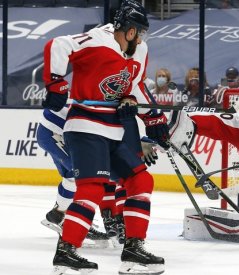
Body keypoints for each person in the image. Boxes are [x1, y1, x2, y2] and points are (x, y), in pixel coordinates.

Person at [41, 0, 167, 274]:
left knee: (140, 179)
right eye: (140, 33)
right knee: (92, 187)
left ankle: (133, 250)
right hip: (86, 124)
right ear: (130, 31)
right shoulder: (97, 39)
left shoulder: (139, 51)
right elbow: (58, 45)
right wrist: (56, 82)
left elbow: (135, 86)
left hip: (114, 128)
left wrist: (153, 116)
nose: (142, 39)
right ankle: (66, 252)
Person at [37, 105, 125, 247]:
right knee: (82, 175)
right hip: (55, 133)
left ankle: (59, 214)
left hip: (56, 132)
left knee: (72, 176)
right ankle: (68, 218)